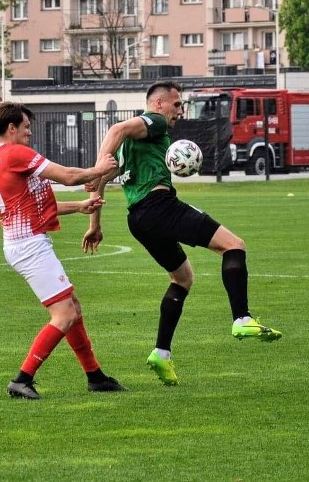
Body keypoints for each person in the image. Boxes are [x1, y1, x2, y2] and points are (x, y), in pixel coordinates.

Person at [83, 80, 282, 387]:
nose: (179, 110)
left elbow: (100, 182)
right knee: (234, 246)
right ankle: (242, 318)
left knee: (183, 278)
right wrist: (97, 167)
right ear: (159, 103)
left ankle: (161, 353)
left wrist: (94, 225)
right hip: (160, 206)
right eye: (176, 104)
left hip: (138, 219)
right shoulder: (155, 121)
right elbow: (115, 131)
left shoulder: (133, 147)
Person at [0, 102, 124, 399]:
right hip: (30, 246)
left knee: (73, 307)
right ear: (11, 128)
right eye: (26, 128)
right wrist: (99, 170)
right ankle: (22, 378)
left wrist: (80, 206)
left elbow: (33, 206)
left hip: (22, 243)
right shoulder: (15, 152)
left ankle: (95, 376)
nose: (29, 133)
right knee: (63, 314)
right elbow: (69, 176)